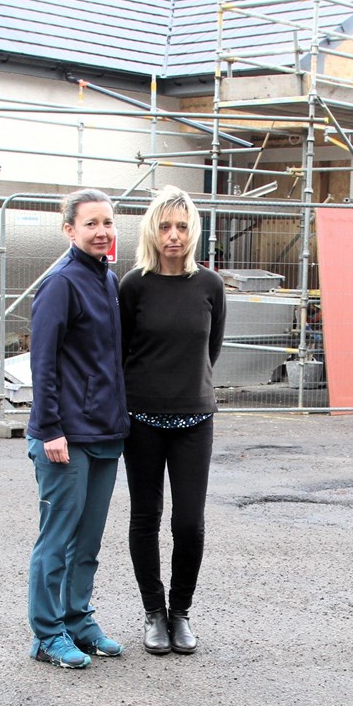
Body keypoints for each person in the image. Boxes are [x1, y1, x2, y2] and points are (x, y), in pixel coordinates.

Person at [119, 186, 226, 655]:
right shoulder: (133, 285)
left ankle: (180, 612)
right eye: (165, 226)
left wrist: (188, 387)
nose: (173, 235)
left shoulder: (210, 286)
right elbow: (121, 351)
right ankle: (153, 614)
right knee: (145, 518)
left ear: (193, 231)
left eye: (182, 226)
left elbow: (212, 348)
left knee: (189, 523)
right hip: (141, 419)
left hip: (194, 419)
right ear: (152, 230)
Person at [25, 188, 129, 669]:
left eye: (107, 222)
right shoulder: (61, 284)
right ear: (69, 230)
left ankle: (78, 620)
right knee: (58, 539)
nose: (101, 231)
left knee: (87, 542)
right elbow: (43, 363)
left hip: (105, 433)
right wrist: (49, 429)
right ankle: (47, 634)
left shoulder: (107, 279)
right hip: (65, 434)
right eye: (90, 223)